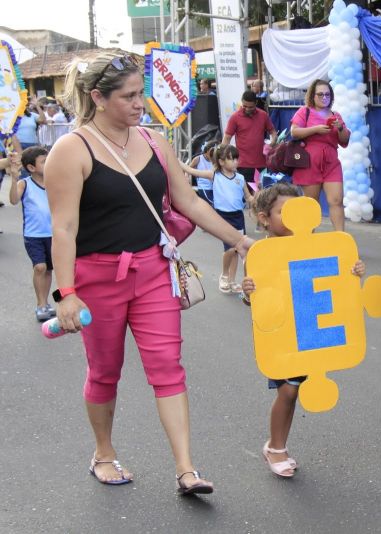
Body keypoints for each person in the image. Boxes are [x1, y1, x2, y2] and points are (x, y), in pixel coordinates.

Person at [46, 51, 254, 494]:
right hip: (96, 279)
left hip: (154, 270)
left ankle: (186, 470)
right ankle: (103, 452)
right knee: (105, 372)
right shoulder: (72, 148)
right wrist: (67, 293)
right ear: (98, 97)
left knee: (168, 366)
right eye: (130, 96)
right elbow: (63, 228)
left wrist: (239, 240)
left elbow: (190, 202)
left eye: (143, 94)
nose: (141, 104)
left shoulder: (155, 141)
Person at [240, 183, 366, 478]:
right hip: (281, 334)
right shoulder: (261, 254)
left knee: (292, 391)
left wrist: (353, 271)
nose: (294, 216)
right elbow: (254, 301)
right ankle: (276, 447)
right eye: (285, 211)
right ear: (264, 218)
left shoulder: (319, 247)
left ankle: (276, 445)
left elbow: (335, 283)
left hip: (310, 331)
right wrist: (248, 292)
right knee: (288, 390)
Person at [182, 144, 253, 294]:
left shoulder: (240, 178)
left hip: (238, 216)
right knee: (230, 249)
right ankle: (224, 275)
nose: (235, 162)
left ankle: (232, 281)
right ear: (221, 162)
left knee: (236, 250)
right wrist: (176, 162)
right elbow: (191, 170)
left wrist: (256, 200)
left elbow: (248, 197)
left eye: (236, 159)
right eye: (231, 159)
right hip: (223, 217)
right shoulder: (215, 175)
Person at [289, 80, 350, 232]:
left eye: (327, 94)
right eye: (320, 94)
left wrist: (341, 127)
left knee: (336, 200)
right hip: (309, 162)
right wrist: (315, 129)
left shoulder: (336, 115)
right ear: (313, 96)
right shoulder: (305, 111)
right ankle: (309, 239)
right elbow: (294, 132)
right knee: (312, 204)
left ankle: (340, 238)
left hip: (331, 162)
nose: (324, 97)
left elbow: (345, 140)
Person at [8, 146, 56, 321]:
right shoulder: (25, 183)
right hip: (33, 234)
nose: (48, 163)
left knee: (49, 270)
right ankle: (40, 304)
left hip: (53, 233)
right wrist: (14, 179)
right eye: (44, 161)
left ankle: (47, 303)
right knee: (40, 267)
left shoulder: (54, 181)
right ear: (31, 168)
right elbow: (13, 200)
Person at [222, 90, 277, 188]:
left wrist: (272, 143)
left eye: (250, 107)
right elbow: (227, 138)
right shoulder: (235, 117)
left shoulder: (263, 115)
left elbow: (273, 132)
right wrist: (222, 157)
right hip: (242, 165)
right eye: (244, 106)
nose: (247, 109)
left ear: (256, 103)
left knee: (261, 196)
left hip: (261, 165)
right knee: (244, 196)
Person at [188, 140, 217, 205]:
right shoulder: (198, 159)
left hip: (214, 187)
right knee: (213, 205)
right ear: (206, 151)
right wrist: (187, 180)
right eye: (211, 154)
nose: (212, 156)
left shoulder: (215, 160)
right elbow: (188, 170)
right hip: (204, 187)